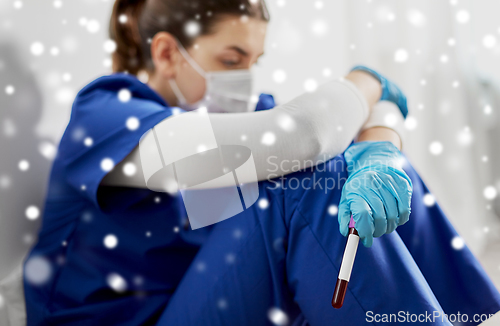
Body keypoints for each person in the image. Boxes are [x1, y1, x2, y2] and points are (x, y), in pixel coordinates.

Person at [22, 0, 500, 325]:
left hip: (205, 304)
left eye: (255, 60)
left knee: (356, 173)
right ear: (167, 53)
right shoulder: (107, 115)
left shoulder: (231, 117)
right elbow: (309, 134)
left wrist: (383, 152)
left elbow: (362, 118)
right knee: (316, 181)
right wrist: (367, 79)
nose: (248, 79)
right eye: (232, 60)